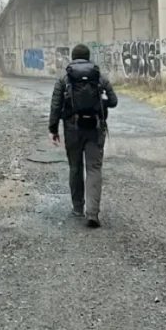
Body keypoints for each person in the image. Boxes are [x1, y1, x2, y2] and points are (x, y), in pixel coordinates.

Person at [49, 43, 118, 228]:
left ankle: (78, 207)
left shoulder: (65, 78)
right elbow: (113, 102)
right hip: (95, 128)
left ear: (72, 58)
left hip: (72, 129)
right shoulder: (99, 77)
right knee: (94, 168)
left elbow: (55, 106)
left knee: (75, 166)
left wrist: (53, 129)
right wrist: (101, 101)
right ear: (89, 57)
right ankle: (93, 213)